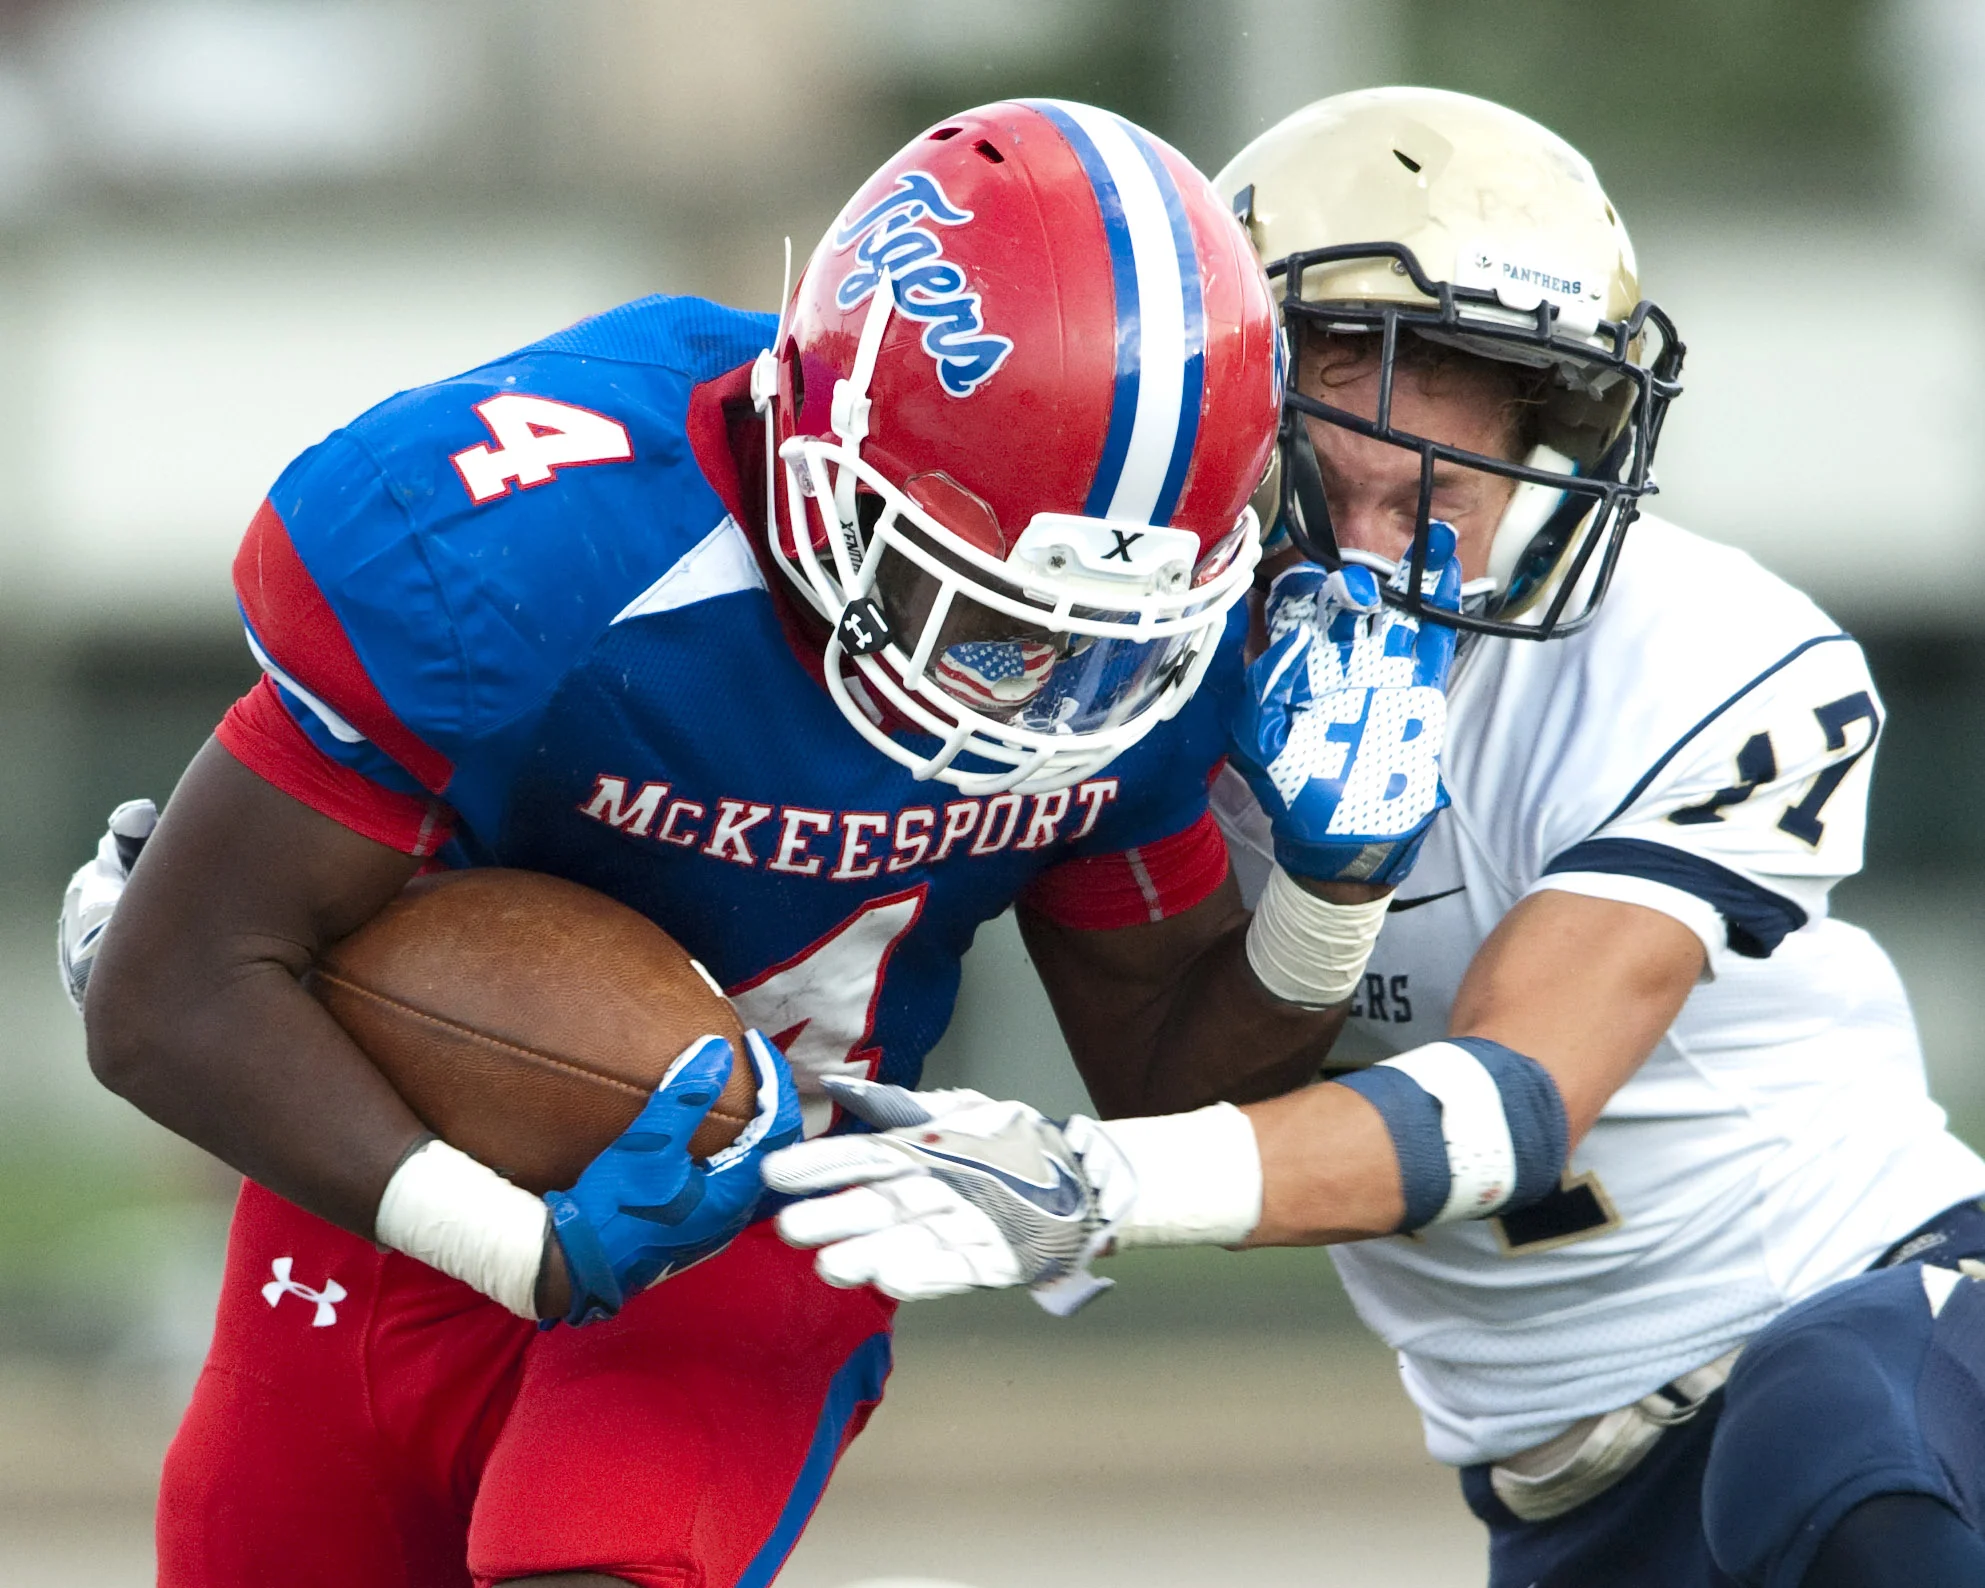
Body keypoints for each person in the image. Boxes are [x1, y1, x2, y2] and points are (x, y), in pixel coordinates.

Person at [58, 98, 1356, 1588]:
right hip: (392, 1165)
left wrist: (1331, 899)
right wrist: (517, 1242)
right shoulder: (545, 531)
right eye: (989, 615)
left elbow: (1168, 1092)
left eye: (1106, 650)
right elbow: (168, 994)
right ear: (828, 447)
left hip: (786, 1207)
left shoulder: (1161, 651)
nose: (1046, 696)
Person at [764, 89, 1985, 1588]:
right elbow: (1202, 1082)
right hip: (1558, 1494)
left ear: (1544, 448)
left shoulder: (1697, 650)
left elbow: (1515, 1106)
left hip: (1882, 1324)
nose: (1369, 561)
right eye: (1312, 486)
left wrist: (1094, 1188)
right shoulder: (1124, 678)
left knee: (1838, 1452)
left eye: (1436, 497)